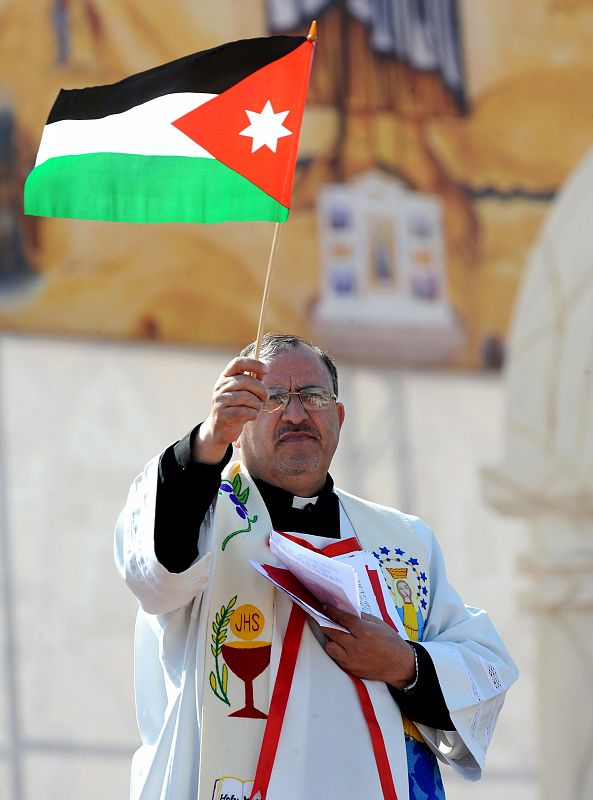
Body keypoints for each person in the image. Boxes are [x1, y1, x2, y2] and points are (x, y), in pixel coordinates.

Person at [115, 333, 518, 800]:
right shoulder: (201, 515)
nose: (295, 413)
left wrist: (403, 663)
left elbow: (485, 668)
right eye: (272, 399)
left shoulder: (402, 541)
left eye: (312, 396)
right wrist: (208, 441)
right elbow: (154, 579)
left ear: (338, 418)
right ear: (240, 422)